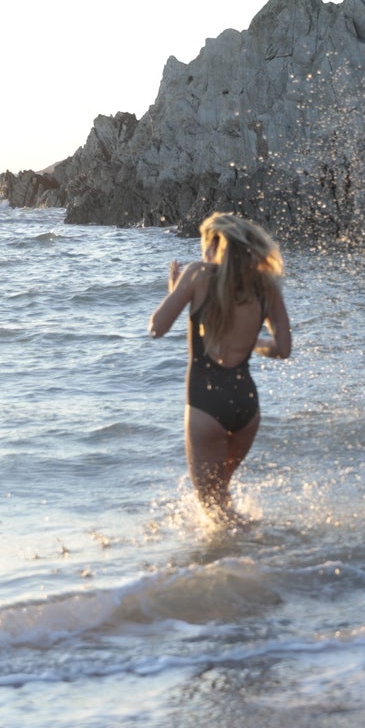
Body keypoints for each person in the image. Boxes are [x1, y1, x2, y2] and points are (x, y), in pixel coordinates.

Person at [148, 213, 291, 519]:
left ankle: (247, 559)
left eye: (204, 245)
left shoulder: (199, 274)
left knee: (212, 509)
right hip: (246, 405)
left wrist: (177, 291)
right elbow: (283, 349)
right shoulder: (266, 285)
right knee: (222, 497)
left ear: (215, 245)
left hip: (205, 404)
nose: (202, 254)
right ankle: (257, 553)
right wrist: (248, 341)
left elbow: (157, 327)